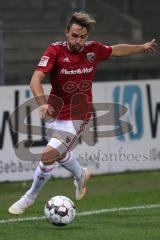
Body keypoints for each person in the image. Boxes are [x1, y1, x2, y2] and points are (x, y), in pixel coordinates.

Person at [9, 12, 157, 215]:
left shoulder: (93, 50)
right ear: (67, 32)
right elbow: (36, 79)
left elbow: (116, 50)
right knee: (60, 154)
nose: (78, 40)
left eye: (83, 36)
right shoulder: (54, 51)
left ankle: (30, 197)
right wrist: (42, 104)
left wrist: (142, 47)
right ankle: (81, 174)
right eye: (75, 35)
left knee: (48, 155)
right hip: (54, 113)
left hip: (78, 116)